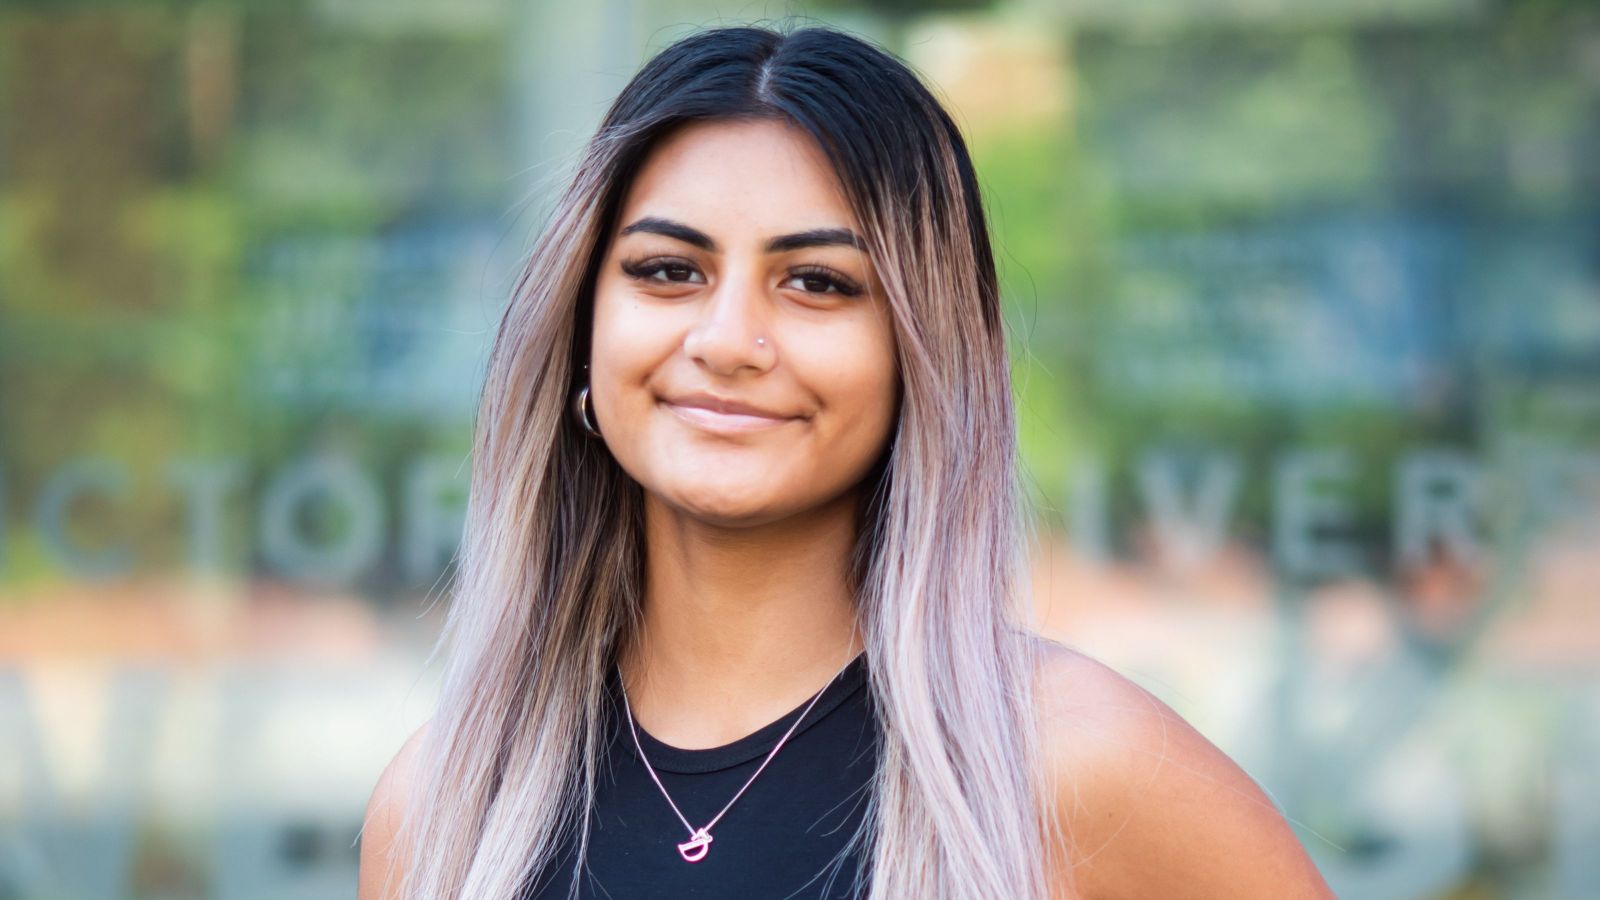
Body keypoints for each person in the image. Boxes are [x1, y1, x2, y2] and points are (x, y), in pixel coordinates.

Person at [357, 20, 1335, 900]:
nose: (728, 338)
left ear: (921, 353)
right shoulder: (441, 806)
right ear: (580, 328)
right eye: (667, 271)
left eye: (818, 283)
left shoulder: (1077, 765)